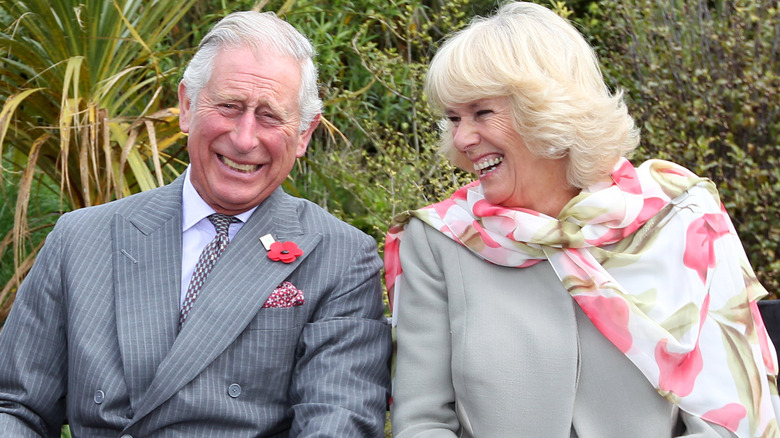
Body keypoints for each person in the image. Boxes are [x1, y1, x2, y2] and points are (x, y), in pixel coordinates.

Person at [384, 2, 780, 437]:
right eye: (453, 118)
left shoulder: (680, 215)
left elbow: (731, 417)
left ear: (548, 109)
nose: (462, 139)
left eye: (482, 112)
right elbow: (422, 422)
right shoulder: (438, 239)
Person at [0, 11, 392, 437]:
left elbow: (337, 422)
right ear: (187, 106)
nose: (244, 139)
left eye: (269, 116)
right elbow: (15, 406)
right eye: (229, 106)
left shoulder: (340, 257)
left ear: (303, 134)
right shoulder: (81, 240)